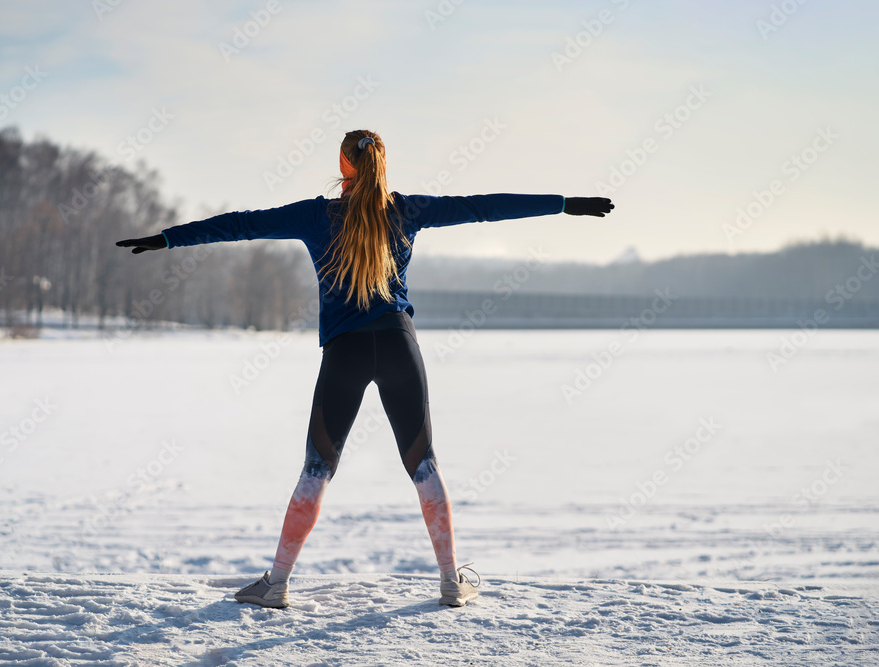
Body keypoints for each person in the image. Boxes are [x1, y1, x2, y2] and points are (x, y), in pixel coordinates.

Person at [116, 129, 613, 608]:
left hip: (345, 353)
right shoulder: (407, 210)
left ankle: (277, 585)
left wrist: (166, 239)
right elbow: (484, 207)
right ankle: (449, 582)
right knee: (425, 465)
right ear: (381, 165)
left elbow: (243, 223)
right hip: (399, 345)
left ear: (342, 167)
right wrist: (565, 203)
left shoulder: (316, 216)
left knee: (316, 468)